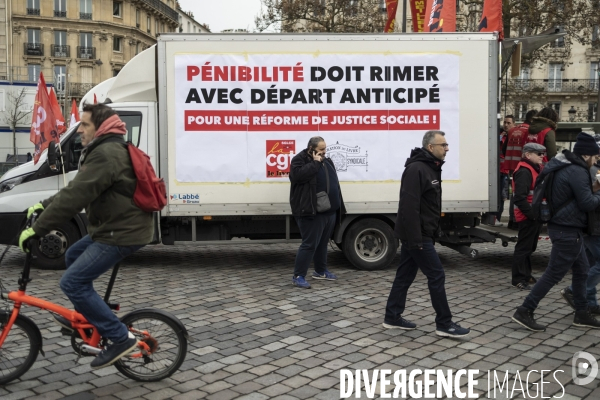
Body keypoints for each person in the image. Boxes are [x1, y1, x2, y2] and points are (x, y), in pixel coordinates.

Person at [19, 103, 154, 368]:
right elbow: (76, 190)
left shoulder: (106, 154)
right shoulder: (106, 150)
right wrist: (44, 205)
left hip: (121, 233)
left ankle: (119, 338)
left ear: (100, 128)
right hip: (113, 228)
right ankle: (89, 314)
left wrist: (38, 229)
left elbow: (76, 197)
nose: (80, 129)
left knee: (72, 283)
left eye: (85, 125)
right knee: (73, 254)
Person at [383, 130, 470, 338]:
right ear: (431, 147)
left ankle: (392, 316)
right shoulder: (416, 169)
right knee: (437, 274)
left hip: (424, 233)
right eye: (443, 145)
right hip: (417, 235)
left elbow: (429, 204)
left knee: (405, 275)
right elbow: (408, 207)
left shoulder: (432, 167)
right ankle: (444, 323)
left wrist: (434, 229)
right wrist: (415, 239)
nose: (447, 148)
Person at [512, 133, 600, 332]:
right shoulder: (577, 170)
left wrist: (595, 187)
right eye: (595, 157)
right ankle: (525, 310)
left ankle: (582, 312)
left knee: (582, 271)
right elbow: (586, 203)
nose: (596, 160)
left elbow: (579, 196)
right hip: (566, 230)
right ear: (586, 156)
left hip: (568, 228)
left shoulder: (567, 165)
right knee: (553, 274)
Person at [289, 136, 345, 289]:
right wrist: (315, 163)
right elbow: (297, 176)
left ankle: (320, 271)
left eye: (325, 149)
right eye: (321, 149)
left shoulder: (327, 161)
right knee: (309, 244)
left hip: (329, 210)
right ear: (311, 148)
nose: (324, 152)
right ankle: (298, 276)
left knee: (322, 243)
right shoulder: (300, 160)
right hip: (311, 211)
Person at [561, 134, 600, 314]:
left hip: (592, 224)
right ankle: (574, 290)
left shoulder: (591, 168)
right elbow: (587, 197)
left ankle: (589, 302)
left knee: (590, 262)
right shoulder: (590, 169)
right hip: (594, 224)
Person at [511, 143, 546, 290]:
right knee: (524, 248)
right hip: (528, 215)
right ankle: (519, 278)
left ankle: (526, 274)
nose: (542, 156)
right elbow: (520, 197)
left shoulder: (533, 168)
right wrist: (532, 215)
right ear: (528, 155)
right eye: (538, 154)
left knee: (530, 247)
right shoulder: (525, 171)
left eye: (543, 153)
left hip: (533, 214)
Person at [504, 110, 538, 230]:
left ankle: (511, 220)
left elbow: (504, 148)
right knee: (521, 194)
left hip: (512, 165)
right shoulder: (529, 131)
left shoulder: (513, 130)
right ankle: (516, 221)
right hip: (523, 165)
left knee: (514, 193)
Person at [495, 116, 515, 226]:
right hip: (499, 170)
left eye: (509, 123)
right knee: (498, 195)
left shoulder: (513, 136)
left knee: (503, 196)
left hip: (506, 170)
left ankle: (497, 217)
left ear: (513, 124)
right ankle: (495, 218)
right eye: (505, 122)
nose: (506, 125)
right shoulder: (500, 135)